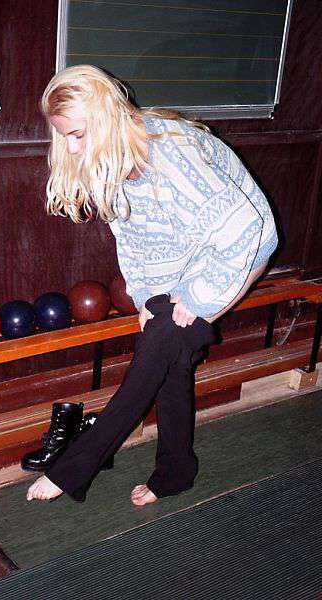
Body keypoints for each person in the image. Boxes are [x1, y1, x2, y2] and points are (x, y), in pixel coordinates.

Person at [26, 64, 278, 506]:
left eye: (78, 134)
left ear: (106, 118)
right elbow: (134, 242)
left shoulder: (171, 154)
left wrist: (198, 297)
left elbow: (245, 232)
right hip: (193, 256)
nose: (72, 147)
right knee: (170, 353)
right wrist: (147, 298)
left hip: (242, 249)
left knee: (163, 341)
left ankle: (78, 464)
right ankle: (176, 471)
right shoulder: (113, 160)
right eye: (65, 137)